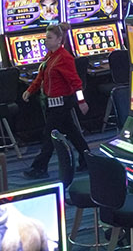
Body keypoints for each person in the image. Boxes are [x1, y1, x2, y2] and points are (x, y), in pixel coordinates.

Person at [24, 24, 91, 176]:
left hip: (61, 103)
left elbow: (76, 82)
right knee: (73, 133)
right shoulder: (50, 56)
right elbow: (41, 76)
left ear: (59, 39)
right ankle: (87, 159)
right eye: (46, 37)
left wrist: (81, 102)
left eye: (49, 38)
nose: (45, 41)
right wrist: (30, 90)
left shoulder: (65, 58)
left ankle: (40, 167)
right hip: (51, 102)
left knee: (49, 135)